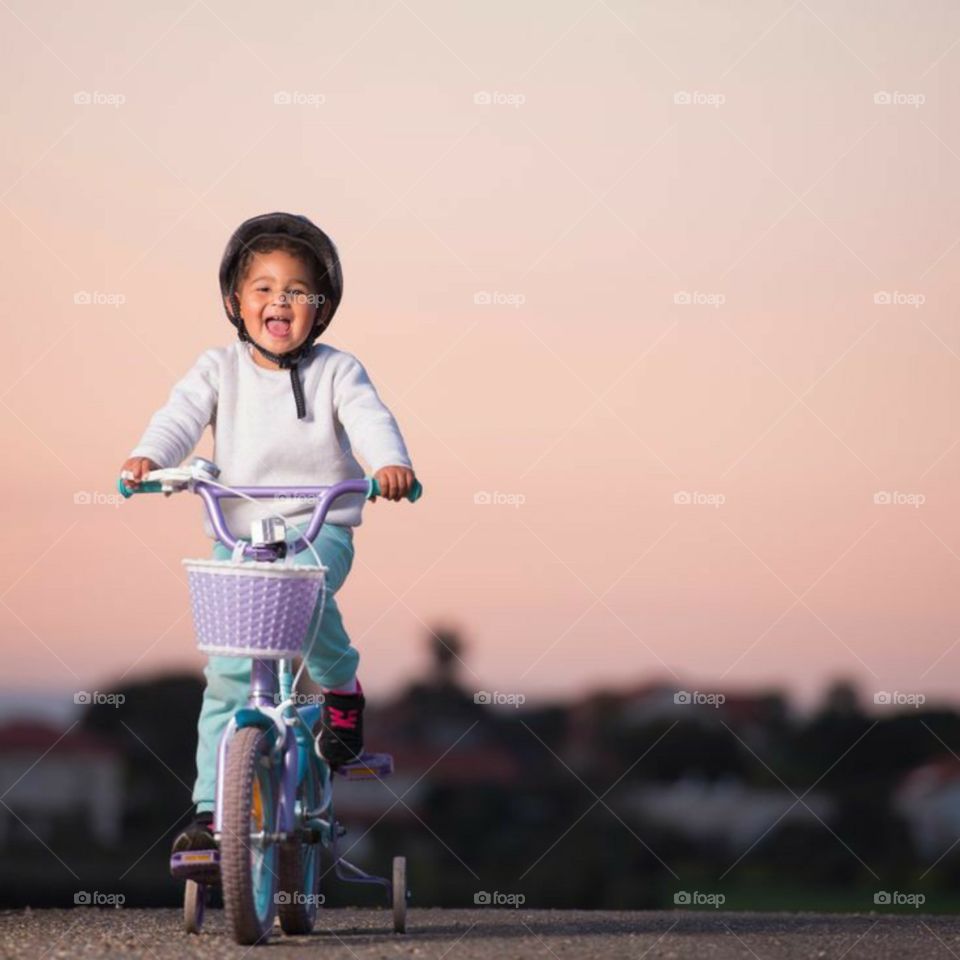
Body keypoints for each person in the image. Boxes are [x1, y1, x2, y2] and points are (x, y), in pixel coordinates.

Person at [118, 212, 416, 855]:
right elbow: (179, 417)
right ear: (235, 301)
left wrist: (389, 464)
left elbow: (369, 418)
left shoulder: (339, 370)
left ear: (321, 307)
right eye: (263, 287)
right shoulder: (216, 368)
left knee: (302, 591)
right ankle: (209, 811)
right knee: (226, 672)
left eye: (297, 290)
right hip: (238, 533)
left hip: (319, 527)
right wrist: (148, 457)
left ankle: (341, 686)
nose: (279, 300)